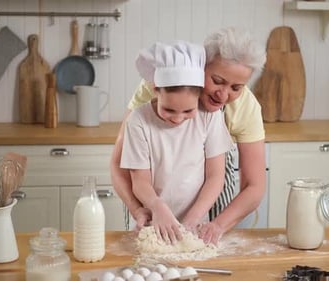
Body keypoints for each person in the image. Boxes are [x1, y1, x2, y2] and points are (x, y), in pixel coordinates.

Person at [111, 27, 266, 244]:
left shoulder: (241, 109)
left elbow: (254, 185)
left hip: (206, 207)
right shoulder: (158, 88)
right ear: (201, 66)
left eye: (236, 87)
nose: (223, 95)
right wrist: (140, 209)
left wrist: (217, 225)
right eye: (218, 81)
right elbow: (121, 165)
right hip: (151, 202)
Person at [119, 40, 234, 243]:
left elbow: (216, 176)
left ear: (199, 94)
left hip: (195, 223)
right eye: (169, 110)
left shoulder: (209, 116)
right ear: (156, 89)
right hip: (151, 223)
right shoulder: (138, 120)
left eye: (188, 111)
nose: (178, 118)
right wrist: (156, 206)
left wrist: (193, 218)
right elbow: (140, 181)